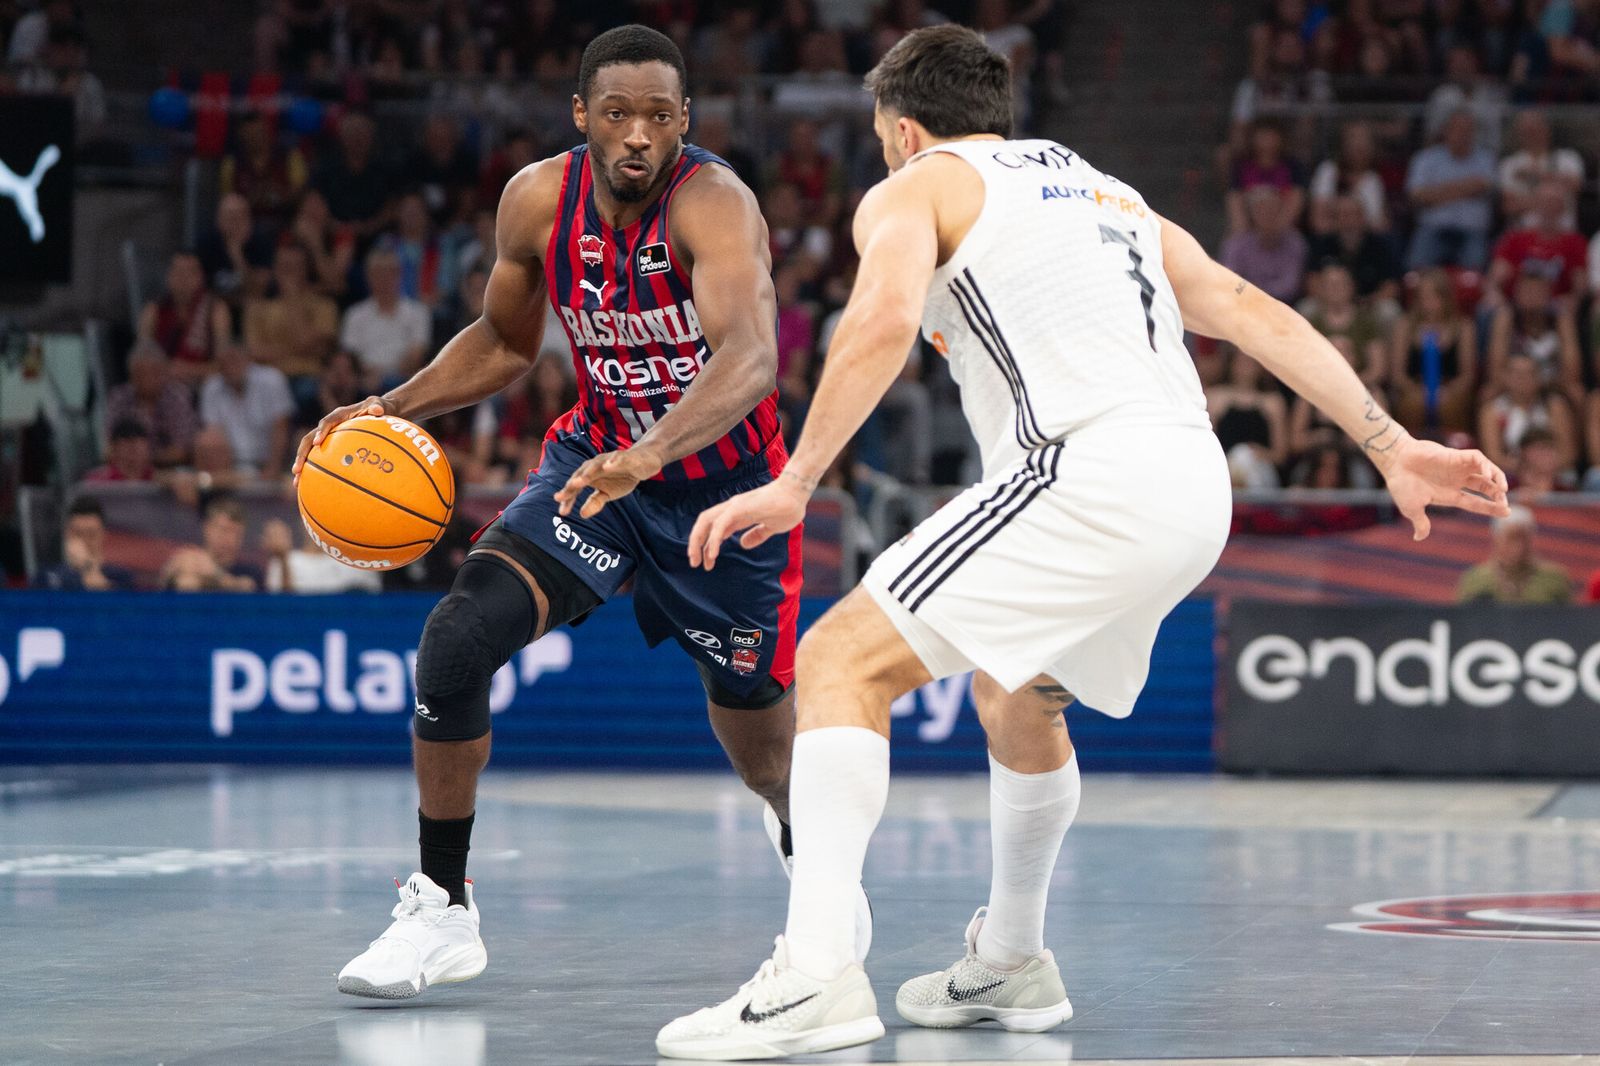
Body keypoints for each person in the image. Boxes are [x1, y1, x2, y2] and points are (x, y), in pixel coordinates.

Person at [663, 26, 1508, 1059]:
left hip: (1087, 471)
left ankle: (814, 974)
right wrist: (1389, 440)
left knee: (840, 660)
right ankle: (1012, 962)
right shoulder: (1106, 192)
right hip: (1192, 487)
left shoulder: (914, 185)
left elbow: (880, 317)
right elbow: (1244, 308)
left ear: (904, 129)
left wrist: (796, 478)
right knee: (1016, 692)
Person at [295, 25, 870, 1004]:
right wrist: (394, 407)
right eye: (616, 114)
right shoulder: (535, 202)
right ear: (582, 119)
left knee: (765, 754)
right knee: (455, 637)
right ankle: (440, 905)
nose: (637, 134)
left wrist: (652, 449)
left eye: (658, 115)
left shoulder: (715, 205)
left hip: (722, 497)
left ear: (684, 123)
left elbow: (751, 359)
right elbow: (505, 340)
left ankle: (809, 859)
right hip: (591, 471)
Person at [1404, 109, 1496, 271]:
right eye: (1458, 129)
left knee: (1475, 271)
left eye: (1468, 130)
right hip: (1434, 228)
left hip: (1472, 231)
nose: (1463, 135)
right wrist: (1468, 188)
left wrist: (1437, 193)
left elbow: (1485, 186)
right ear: (1446, 131)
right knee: (1415, 270)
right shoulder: (1425, 159)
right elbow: (1416, 195)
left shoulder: (1486, 159)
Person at [339, 246, 433, 392]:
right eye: (378, 273)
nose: (383, 279)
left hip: (404, 380)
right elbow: (351, 357)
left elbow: (417, 355)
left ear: (399, 275)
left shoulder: (418, 312)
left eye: (389, 273)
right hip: (363, 381)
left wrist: (383, 375)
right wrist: (369, 374)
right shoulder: (354, 315)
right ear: (368, 277)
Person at [199, 344, 295, 477]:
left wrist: (273, 468)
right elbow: (212, 432)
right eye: (224, 362)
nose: (230, 366)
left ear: (248, 359)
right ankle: (214, 484)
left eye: (235, 360)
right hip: (232, 464)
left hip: (270, 461)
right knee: (207, 439)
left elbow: (281, 427)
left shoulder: (272, 380)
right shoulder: (212, 387)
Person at [104, 341, 198, 468]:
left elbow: (181, 451)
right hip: (126, 473)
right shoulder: (119, 398)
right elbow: (109, 449)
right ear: (131, 375)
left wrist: (141, 458)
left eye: (154, 373)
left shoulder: (177, 397)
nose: (147, 379)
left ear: (164, 373)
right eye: (140, 374)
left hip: (170, 471)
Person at [1456, 505, 1571, 604]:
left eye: (1523, 538)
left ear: (1532, 539)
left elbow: (1569, 623)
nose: (1518, 546)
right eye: (1511, 539)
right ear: (1497, 539)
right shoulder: (1475, 580)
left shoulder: (1554, 579)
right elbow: (1463, 622)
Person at [31, 496, 135, 591]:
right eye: (78, 534)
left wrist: (88, 567)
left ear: (103, 534)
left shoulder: (121, 577)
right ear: (67, 534)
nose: (84, 541)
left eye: (91, 534)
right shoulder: (47, 577)